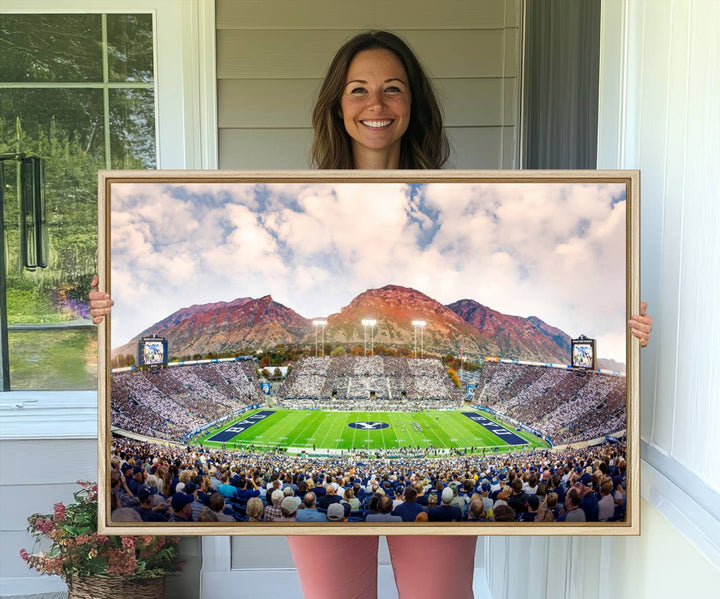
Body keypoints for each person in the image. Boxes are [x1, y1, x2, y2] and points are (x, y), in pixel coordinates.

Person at [90, 29, 654, 599]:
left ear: (413, 105)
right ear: (338, 104)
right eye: (358, 89)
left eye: (393, 89)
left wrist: (625, 327)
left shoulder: (461, 195)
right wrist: (107, 312)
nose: (375, 105)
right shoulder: (299, 198)